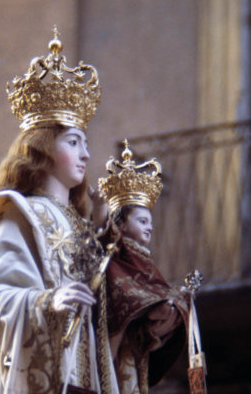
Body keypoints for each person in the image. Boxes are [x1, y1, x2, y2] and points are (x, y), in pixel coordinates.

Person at [0, 28, 120, 394]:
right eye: (74, 142)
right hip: (35, 372)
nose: (86, 155)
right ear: (45, 148)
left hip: (85, 375)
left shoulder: (84, 226)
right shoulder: (20, 215)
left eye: (86, 143)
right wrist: (47, 302)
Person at [98, 141, 190, 394]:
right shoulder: (117, 258)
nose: (149, 227)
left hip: (133, 354)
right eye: (142, 221)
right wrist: (151, 306)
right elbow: (122, 292)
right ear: (122, 225)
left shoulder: (144, 260)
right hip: (114, 351)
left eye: (150, 221)